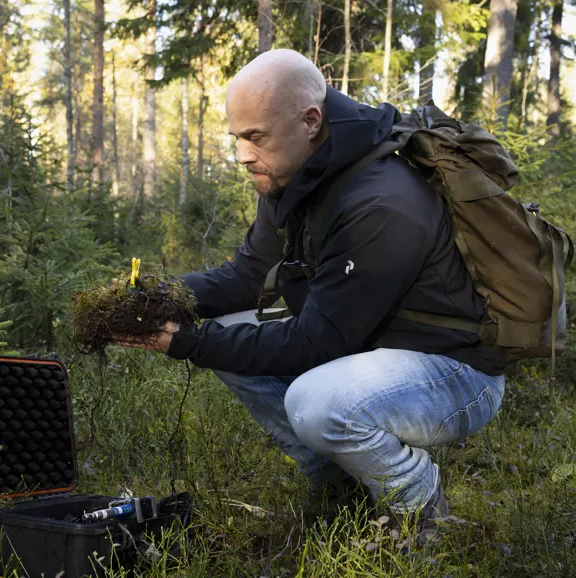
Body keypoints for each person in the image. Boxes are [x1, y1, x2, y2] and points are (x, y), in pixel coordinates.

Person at [117, 49, 507, 527]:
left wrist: (186, 342)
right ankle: (340, 490)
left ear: (310, 121)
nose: (242, 155)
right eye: (238, 138)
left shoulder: (380, 200)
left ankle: (420, 510)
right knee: (226, 324)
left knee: (316, 402)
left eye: (256, 137)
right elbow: (244, 279)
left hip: (455, 370)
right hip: (369, 347)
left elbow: (318, 341)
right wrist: (157, 295)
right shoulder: (291, 175)